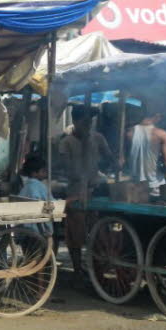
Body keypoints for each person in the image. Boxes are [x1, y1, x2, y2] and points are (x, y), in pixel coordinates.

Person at [60, 105, 115, 278]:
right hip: (75, 191)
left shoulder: (97, 138)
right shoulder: (66, 142)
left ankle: (98, 267)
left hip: (96, 190)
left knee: (99, 230)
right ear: (75, 121)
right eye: (85, 121)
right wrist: (80, 176)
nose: (88, 125)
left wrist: (115, 163)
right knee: (75, 234)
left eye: (90, 121)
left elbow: (109, 157)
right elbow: (66, 169)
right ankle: (77, 270)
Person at [127, 108, 166, 199]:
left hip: (135, 182)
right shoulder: (161, 134)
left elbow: (124, 156)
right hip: (153, 182)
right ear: (157, 116)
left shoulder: (129, 132)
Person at [18, 154, 52, 237]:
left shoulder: (26, 186)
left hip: (25, 227)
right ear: (34, 173)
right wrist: (69, 200)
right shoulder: (39, 186)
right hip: (37, 229)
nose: (46, 173)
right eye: (43, 171)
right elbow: (52, 203)